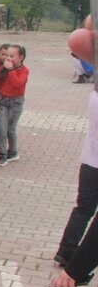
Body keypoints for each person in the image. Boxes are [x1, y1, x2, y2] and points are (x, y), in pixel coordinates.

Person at [56, 89, 98, 267]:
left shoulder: (94, 97)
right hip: (91, 161)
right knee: (84, 210)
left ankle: (66, 250)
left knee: (83, 209)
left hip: (90, 161)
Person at [0, 44, 29, 167]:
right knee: (1, 128)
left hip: (16, 102)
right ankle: (2, 154)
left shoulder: (24, 70)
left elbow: (17, 84)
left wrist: (11, 70)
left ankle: (13, 151)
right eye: (7, 55)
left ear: (21, 57)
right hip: (3, 101)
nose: (8, 58)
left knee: (10, 129)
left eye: (12, 56)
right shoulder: (3, 68)